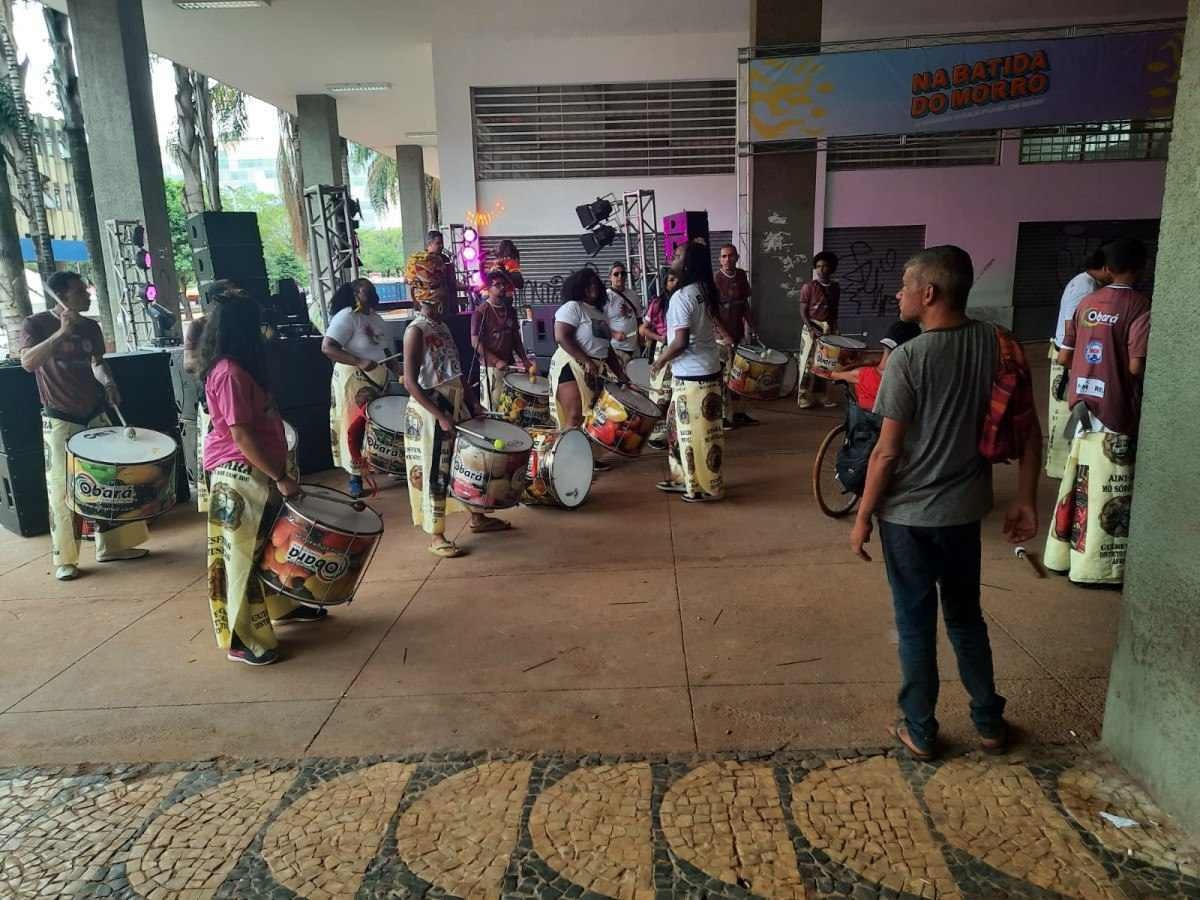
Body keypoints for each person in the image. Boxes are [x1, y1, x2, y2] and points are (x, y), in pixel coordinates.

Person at [850, 245, 1040, 761]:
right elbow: (1027, 431)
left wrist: (863, 516)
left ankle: (921, 729)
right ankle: (988, 722)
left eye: (905, 285)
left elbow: (887, 454)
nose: (898, 293)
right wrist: (1025, 499)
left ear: (928, 293)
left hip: (907, 518)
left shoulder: (909, 359)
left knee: (915, 623)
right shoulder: (998, 345)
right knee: (965, 617)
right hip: (962, 513)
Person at [199, 289, 320, 667]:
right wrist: (280, 475)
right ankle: (241, 637)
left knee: (270, 547)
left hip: (258, 470)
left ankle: (281, 606)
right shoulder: (230, 373)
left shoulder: (244, 368)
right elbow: (241, 435)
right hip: (240, 475)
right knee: (240, 558)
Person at [20, 270, 150, 582]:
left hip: (94, 413)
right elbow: (28, 362)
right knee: (62, 489)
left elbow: (96, 363)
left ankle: (113, 546)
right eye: (81, 291)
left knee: (112, 481)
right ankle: (65, 558)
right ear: (62, 296)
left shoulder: (90, 326)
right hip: (60, 417)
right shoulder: (35, 324)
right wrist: (61, 333)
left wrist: (108, 381)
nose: (88, 295)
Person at [1044, 238, 1150, 586]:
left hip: (1081, 408)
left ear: (1108, 265)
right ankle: (1097, 571)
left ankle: (1061, 556)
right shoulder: (1138, 305)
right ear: (1140, 267)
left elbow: (1063, 356)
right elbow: (1136, 367)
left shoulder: (1086, 301)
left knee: (1076, 482)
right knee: (1109, 489)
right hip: (1115, 409)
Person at [403, 280, 511, 559]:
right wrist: (440, 416)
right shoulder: (415, 331)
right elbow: (411, 383)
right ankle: (436, 534)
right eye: (444, 293)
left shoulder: (443, 326)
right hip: (432, 408)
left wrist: (473, 403)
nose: (449, 298)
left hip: (455, 402)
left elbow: (456, 370)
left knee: (465, 463)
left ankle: (478, 517)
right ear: (429, 296)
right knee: (435, 469)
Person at [651, 242, 726, 502]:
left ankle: (703, 487)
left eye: (678, 255)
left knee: (696, 435)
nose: (672, 258)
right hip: (704, 371)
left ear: (688, 264)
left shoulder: (683, 297)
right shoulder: (703, 291)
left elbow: (680, 342)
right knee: (678, 428)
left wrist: (659, 361)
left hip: (692, 376)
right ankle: (683, 478)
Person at [322, 278, 396, 498]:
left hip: (378, 379)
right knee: (354, 428)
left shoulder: (377, 318)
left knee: (379, 427)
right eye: (367, 289)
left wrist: (399, 370)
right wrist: (359, 361)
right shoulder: (346, 316)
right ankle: (355, 476)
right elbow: (327, 347)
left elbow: (386, 352)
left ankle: (386, 465)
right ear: (355, 292)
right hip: (354, 379)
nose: (372, 292)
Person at [1045, 249, 1111, 478]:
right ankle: (1062, 468)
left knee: (1069, 410)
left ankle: (1064, 465)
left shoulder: (1086, 283)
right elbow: (1070, 323)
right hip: (1068, 354)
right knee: (1067, 411)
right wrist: (1070, 359)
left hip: (1068, 352)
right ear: (1104, 268)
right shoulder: (1085, 286)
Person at [549, 268, 629, 433]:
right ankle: (567, 457)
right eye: (588, 284)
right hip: (571, 365)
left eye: (595, 283)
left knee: (591, 418)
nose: (593, 287)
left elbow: (606, 348)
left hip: (595, 369)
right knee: (574, 415)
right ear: (579, 287)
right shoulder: (573, 307)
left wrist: (620, 374)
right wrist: (586, 361)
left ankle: (586, 457)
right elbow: (561, 337)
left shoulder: (600, 313)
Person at [472, 269, 535, 411]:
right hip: (490, 369)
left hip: (509, 365)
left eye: (504, 284)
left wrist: (524, 360)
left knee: (510, 408)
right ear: (488, 288)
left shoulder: (510, 310)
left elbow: (515, 338)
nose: (502, 287)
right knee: (493, 408)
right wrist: (496, 361)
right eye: (498, 285)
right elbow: (475, 342)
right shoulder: (481, 312)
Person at [715, 244, 757, 428]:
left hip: (738, 335)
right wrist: (725, 336)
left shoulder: (741, 276)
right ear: (719, 259)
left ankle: (739, 413)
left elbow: (744, 304)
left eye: (731, 256)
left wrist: (752, 325)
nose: (727, 259)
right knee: (725, 378)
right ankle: (724, 416)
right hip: (720, 339)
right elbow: (711, 312)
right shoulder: (715, 279)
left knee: (740, 376)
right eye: (724, 256)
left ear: (737, 257)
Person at [640, 270, 679, 450]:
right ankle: (655, 435)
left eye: (677, 279)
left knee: (676, 395)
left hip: (680, 352)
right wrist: (659, 337)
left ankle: (674, 433)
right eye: (670, 280)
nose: (674, 282)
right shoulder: (657, 304)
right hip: (663, 351)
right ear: (664, 283)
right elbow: (643, 329)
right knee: (659, 396)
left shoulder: (685, 300)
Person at [798, 251, 842, 409]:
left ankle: (821, 395)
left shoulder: (835, 288)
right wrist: (810, 328)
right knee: (807, 364)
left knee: (824, 364)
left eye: (825, 266)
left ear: (832, 268)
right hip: (812, 328)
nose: (821, 269)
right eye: (818, 266)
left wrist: (836, 328)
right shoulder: (809, 287)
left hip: (828, 328)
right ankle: (803, 396)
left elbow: (835, 310)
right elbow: (802, 311)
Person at [606, 262, 643, 366]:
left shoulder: (632, 294)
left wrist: (641, 336)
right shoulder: (606, 297)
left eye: (623, 273)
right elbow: (599, 323)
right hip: (617, 348)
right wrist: (614, 334)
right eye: (616, 274)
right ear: (610, 277)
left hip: (635, 347)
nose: (620, 276)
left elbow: (639, 317)